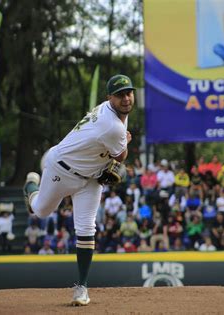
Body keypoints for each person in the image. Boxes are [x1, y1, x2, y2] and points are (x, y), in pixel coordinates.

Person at [23, 74, 135, 306]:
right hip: (61, 170)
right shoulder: (112, 126)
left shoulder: (114, 114)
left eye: (129, 93)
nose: (126, 98)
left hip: (91, 178)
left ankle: (81, 287)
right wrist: (125, 143)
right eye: (120, 94)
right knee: (41, 211)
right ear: (109, 98)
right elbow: (121, 156)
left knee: (86, 227)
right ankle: (31, 185)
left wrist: (120, 144)